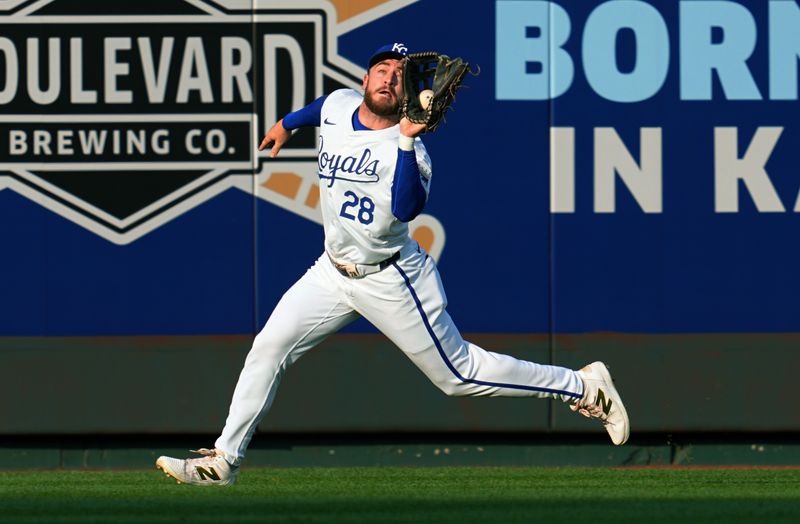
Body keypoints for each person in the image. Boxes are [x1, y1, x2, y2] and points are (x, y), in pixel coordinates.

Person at [155, 43, 630, 486]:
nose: (388, 78)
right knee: (269, 348)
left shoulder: (414, 151)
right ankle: (224, 460)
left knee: (458, 376)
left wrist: (404, 141)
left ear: (407, 96)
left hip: (391, 276)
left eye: (399, 76)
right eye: (382, 70)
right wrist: (285, 124)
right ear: (365, 79)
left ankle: (582, 386)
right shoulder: (340, 106)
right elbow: (318, 108)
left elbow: (405, 209)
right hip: (331, 271)